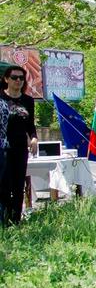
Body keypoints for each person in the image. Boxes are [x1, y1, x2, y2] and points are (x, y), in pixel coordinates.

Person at [0, 66, 37, 226]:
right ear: (6, 79)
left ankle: (16, 220)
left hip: (20, 148)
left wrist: (34, 138)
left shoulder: (27, 101)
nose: (18, 81)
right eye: (14, 77)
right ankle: (4, 220)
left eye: (21, 78)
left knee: (18, 184)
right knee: (4, 184)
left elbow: (30, 125)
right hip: (2, 148)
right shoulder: (1, 98)